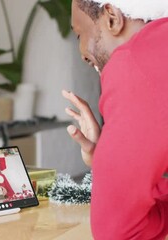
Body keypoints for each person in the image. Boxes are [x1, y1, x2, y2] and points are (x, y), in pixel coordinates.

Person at [64, 0, 168, 238]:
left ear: (112, 18)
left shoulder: (134, 63)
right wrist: (108, 161)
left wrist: (108, 165)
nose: (81, 54)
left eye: (79, 33)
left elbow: (118, 232)